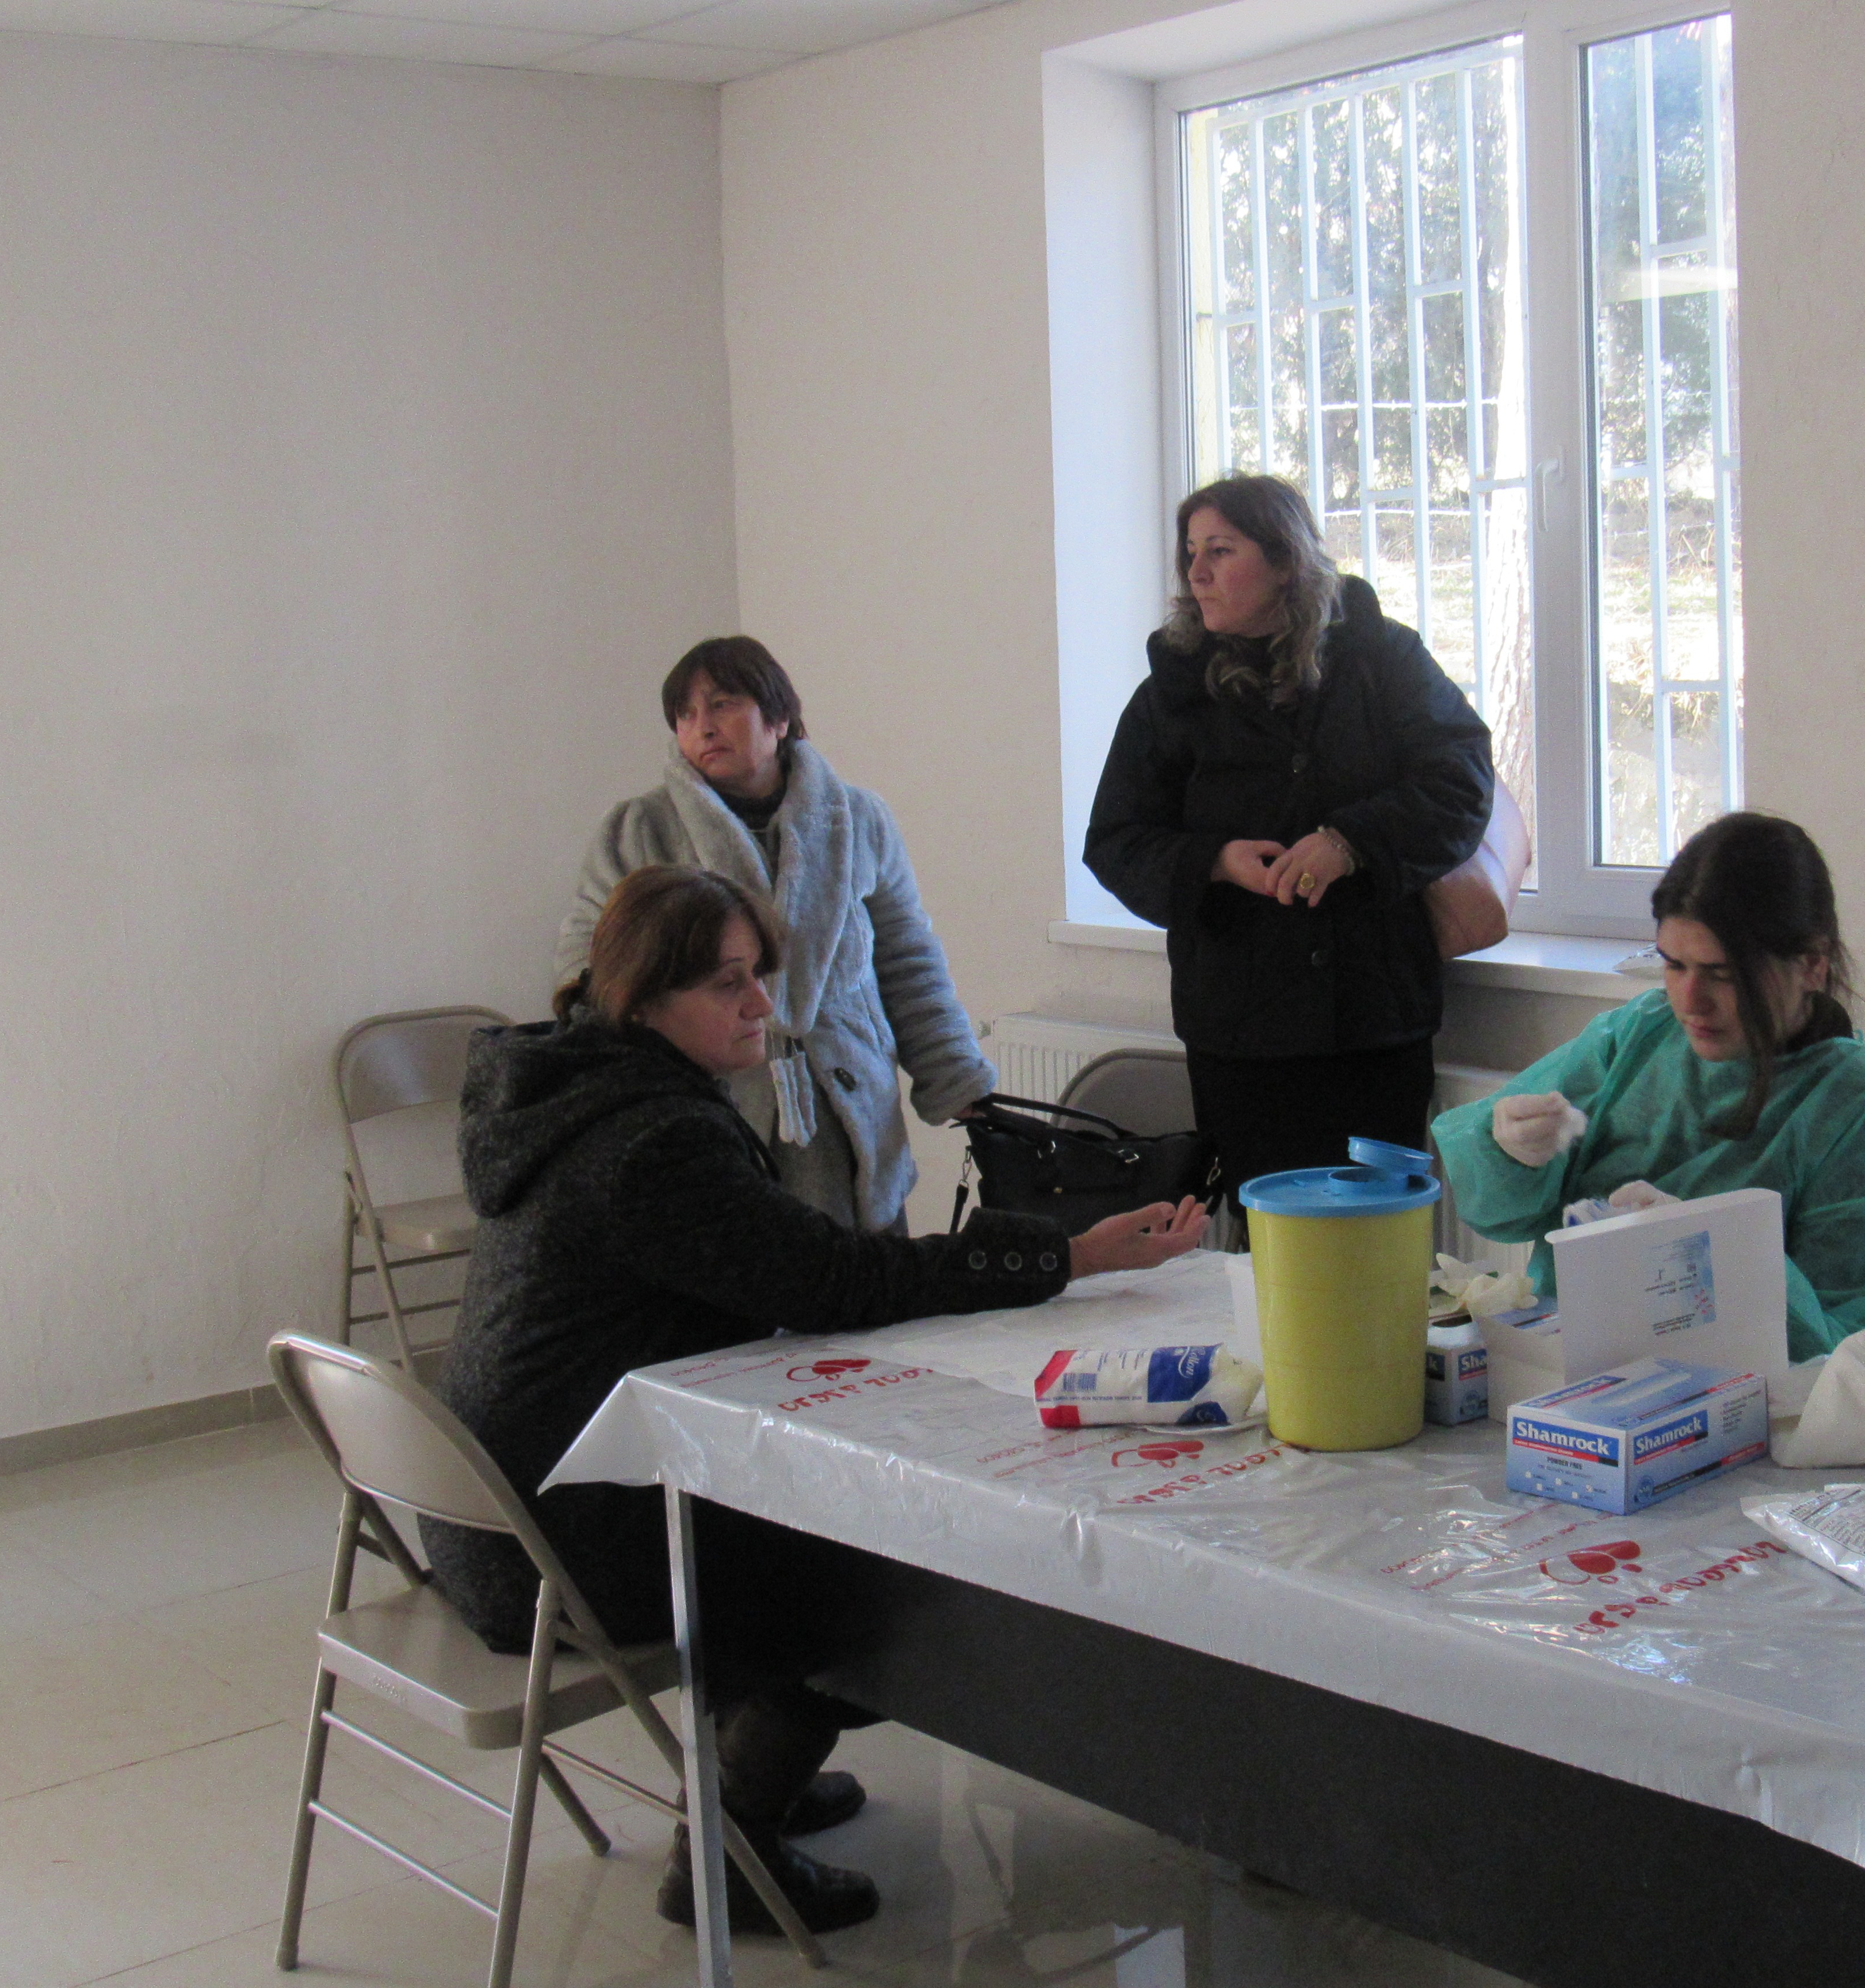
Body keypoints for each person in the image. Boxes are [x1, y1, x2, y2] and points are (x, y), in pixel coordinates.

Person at [427, 866, 1206, 1935]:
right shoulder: (652, 1144)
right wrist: (1067, 1255)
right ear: (643, 1000)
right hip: (556, 1548)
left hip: (485, 1513)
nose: (762, 1004)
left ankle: (760, 1765)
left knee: (801, 1503)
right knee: (860, 1557)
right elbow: (836, 1282)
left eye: (759, 974)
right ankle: (734, 1841)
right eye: (727, 984)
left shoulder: (574, 1092)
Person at [1084, 476, 1494, 1207]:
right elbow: (1115, 839)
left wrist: (1350, 842)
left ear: (1284, 562)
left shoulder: (1382, 658)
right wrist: (1215, 862)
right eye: (1190, 553)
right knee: (1270, 1248)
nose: (1197, 573)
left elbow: (1461, 782)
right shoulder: (1172, 691)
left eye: (1220, 551)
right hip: (1242, 1031)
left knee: (1383, 1239)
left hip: (1374, 1019)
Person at [1431, 812, 1865, 1362]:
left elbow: (1846, 1359)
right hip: (1570, 1371)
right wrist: (1511, 1154)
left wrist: (1711, 1252)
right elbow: (1498, 1212)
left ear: (1812, 966)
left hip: (1756, 1402)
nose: (1690, 1001)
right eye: (1673, 965)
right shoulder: (1639, 1036)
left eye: (1723, 974)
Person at [554, 634, 992, 1233]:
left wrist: (955, 1077)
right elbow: (590, 970)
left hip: (849, 1101)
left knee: (871, 1276)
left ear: (780, 717)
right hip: (709, 1103)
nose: (704, 727)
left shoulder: (860, 820)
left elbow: (908, 961)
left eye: (723, 704)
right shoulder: (639, 830)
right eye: (685, 714)